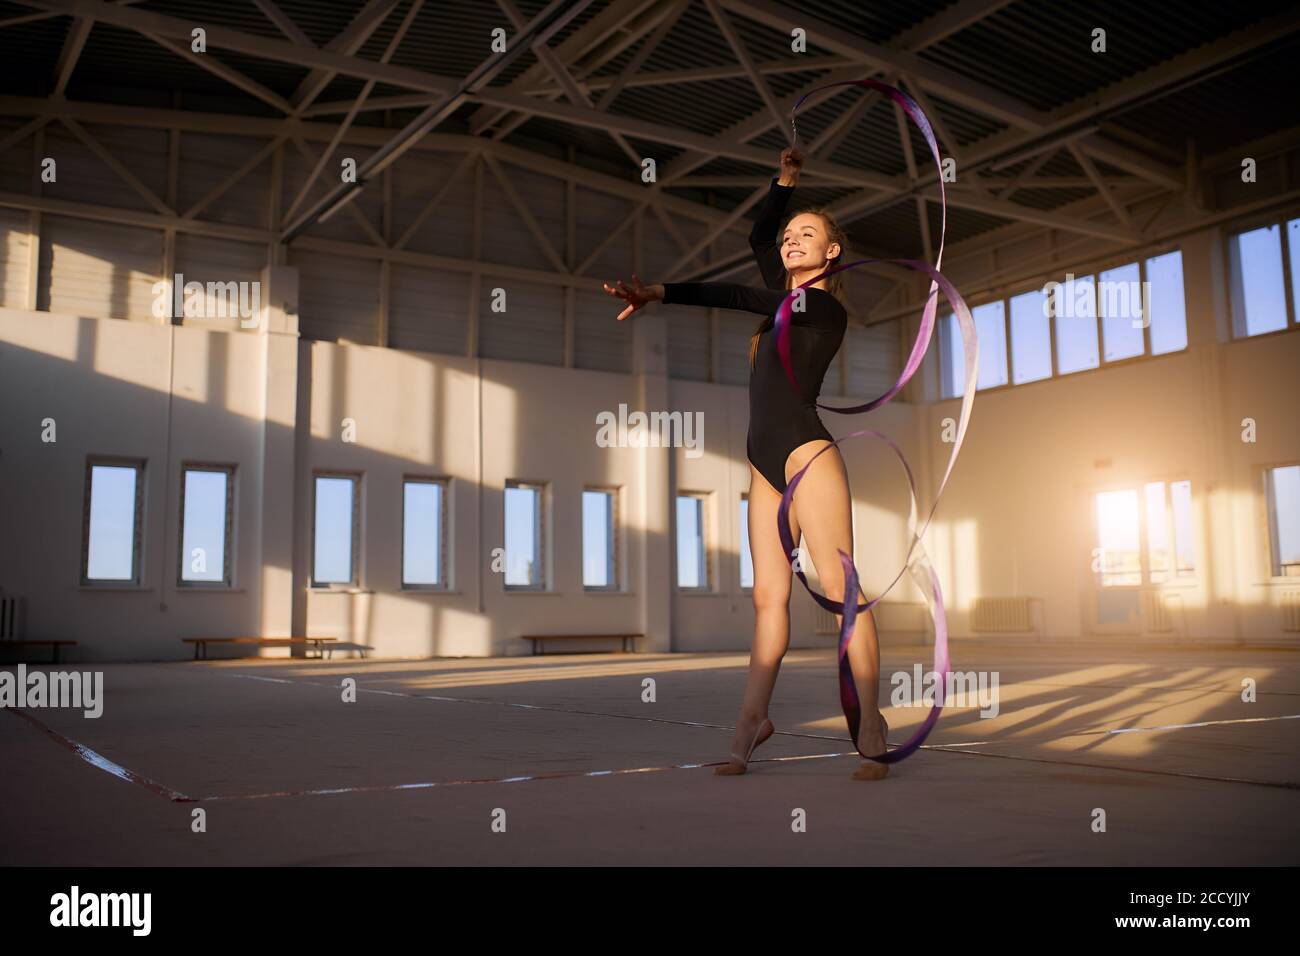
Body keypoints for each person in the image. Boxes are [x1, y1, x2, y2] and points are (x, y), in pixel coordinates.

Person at [602, 146, 890, 781]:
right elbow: (760, 233)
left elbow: (740, 293)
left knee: (842, 591)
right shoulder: (779, 294)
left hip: (807, 452)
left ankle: (870, 722)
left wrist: (663, 290)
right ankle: (751, 723)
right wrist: (784, 183)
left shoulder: (822, 309)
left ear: (832, 252)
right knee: (767, 598)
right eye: (790, 236)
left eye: (807, 235)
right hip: (761, 461)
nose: (791, 241)